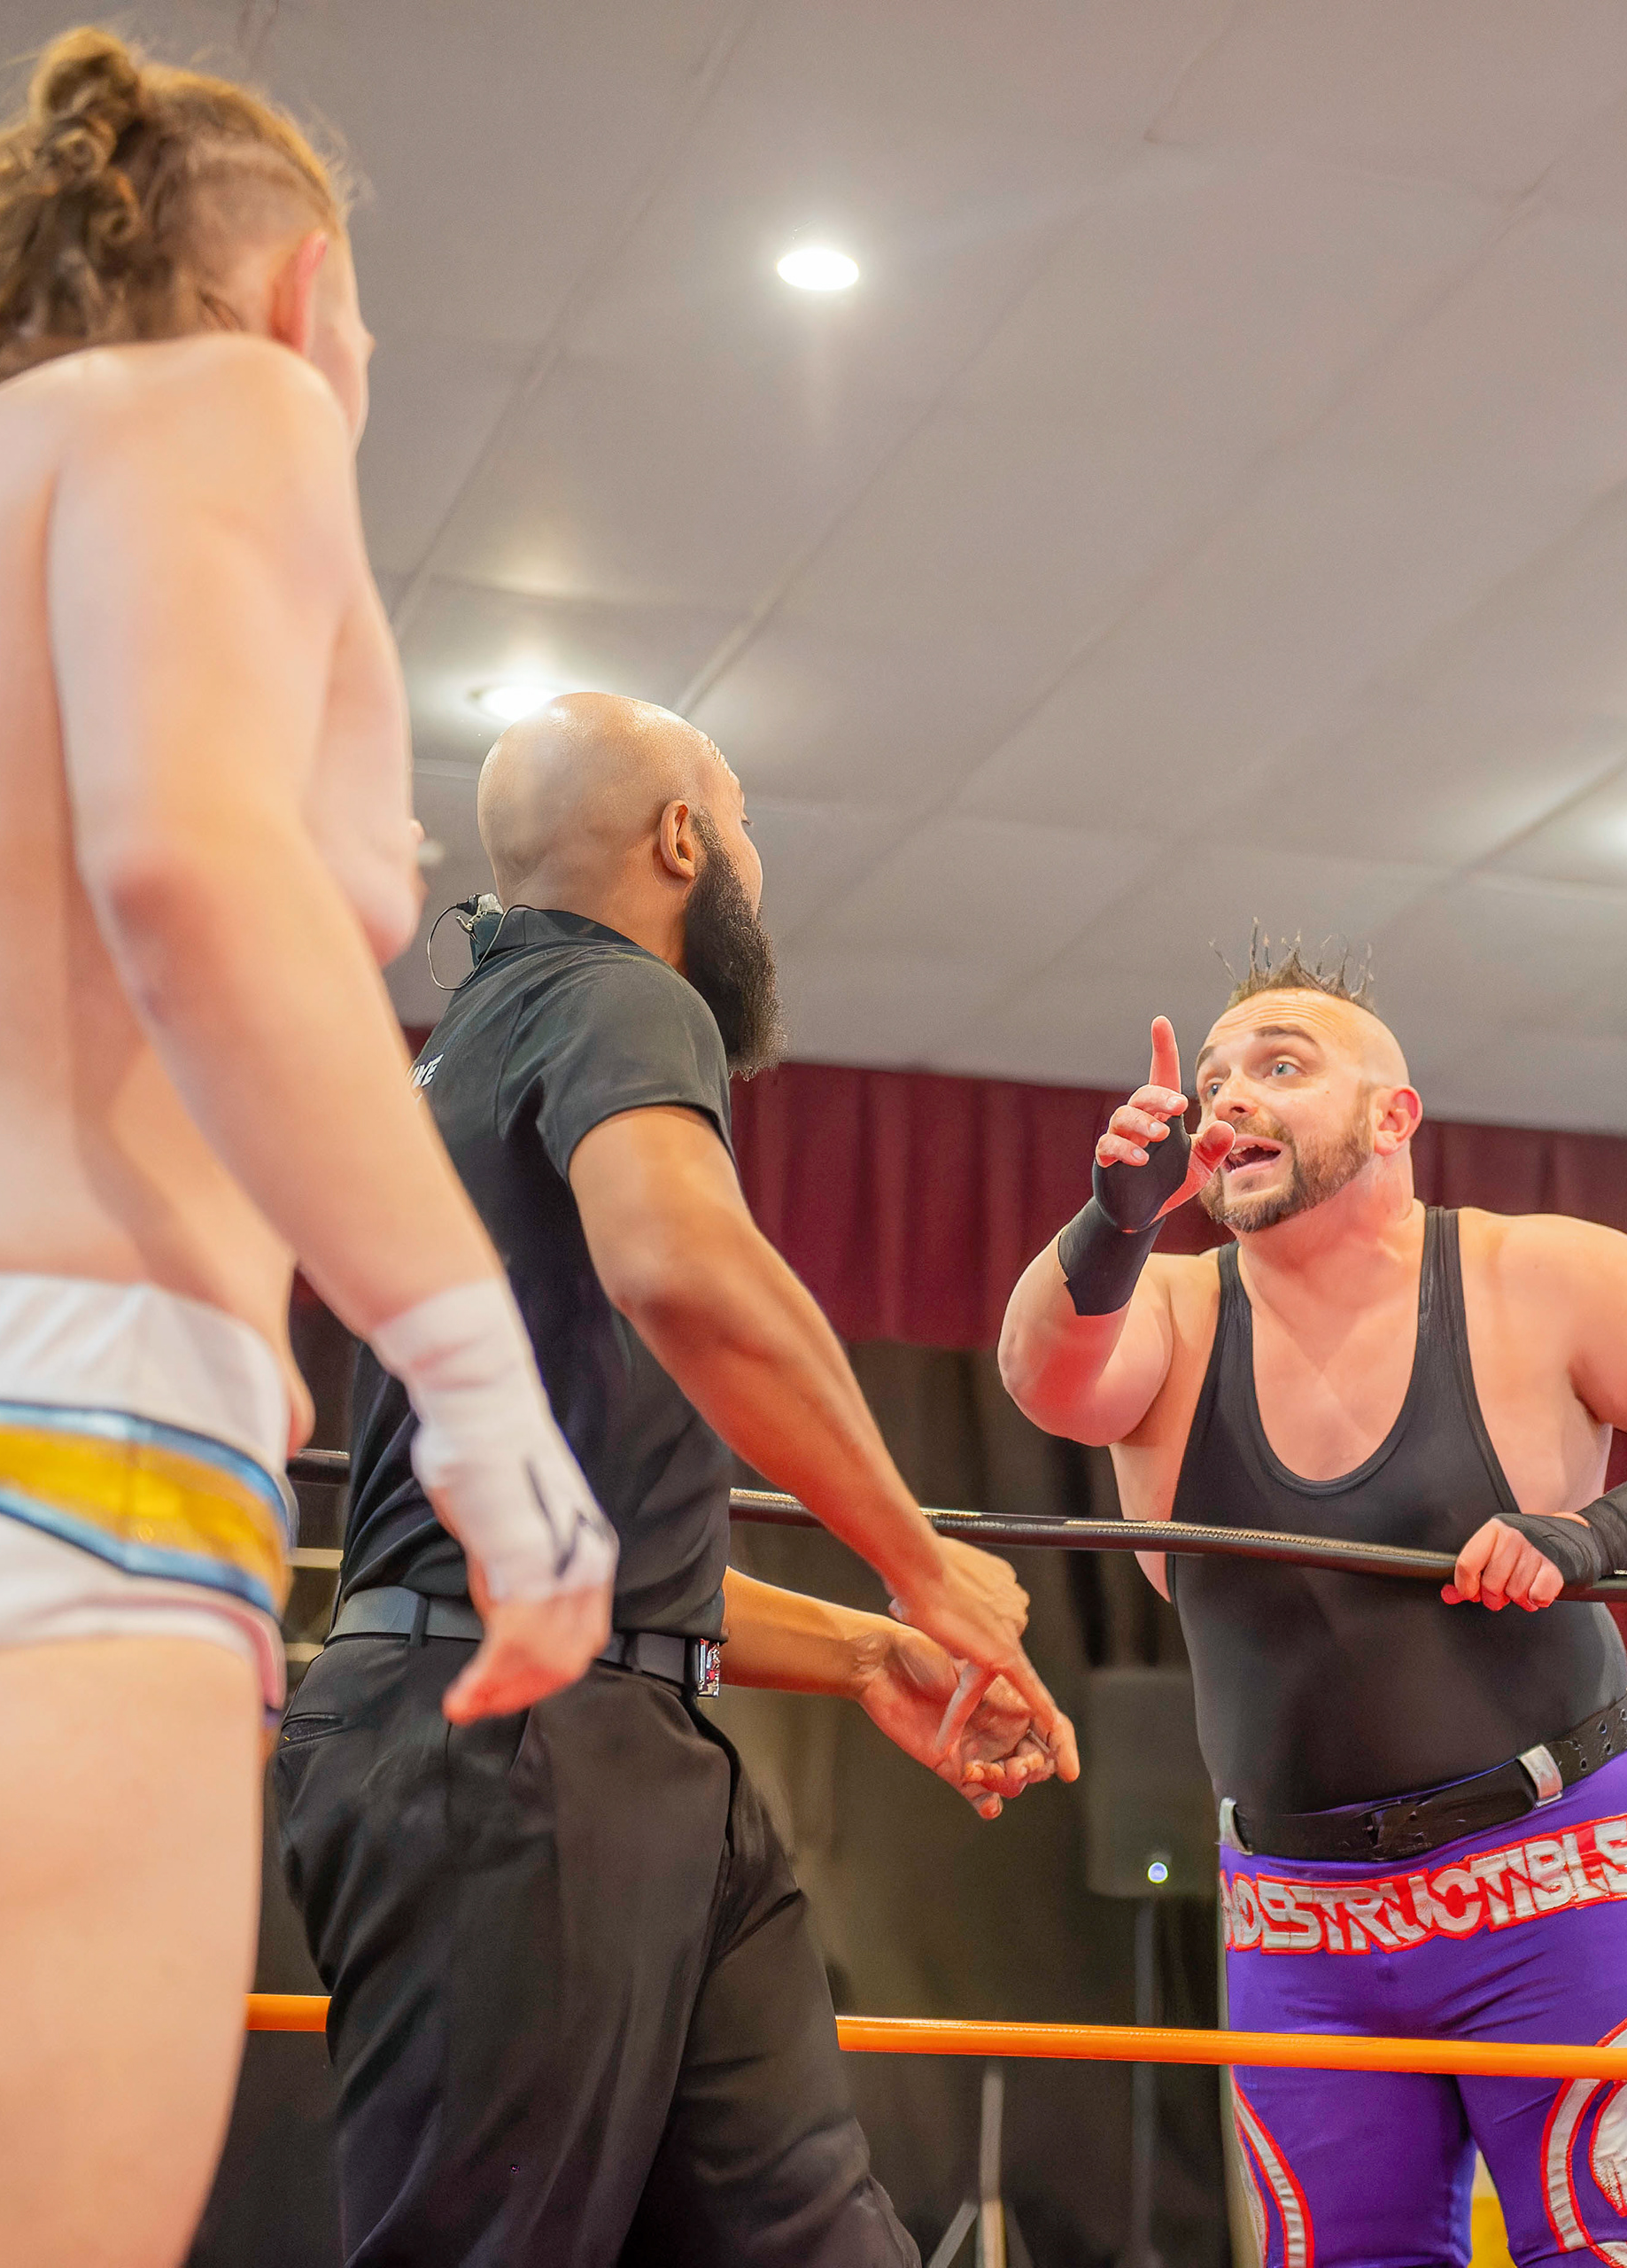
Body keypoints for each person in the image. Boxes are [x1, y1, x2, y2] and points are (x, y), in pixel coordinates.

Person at [0, 29, 660, 2268]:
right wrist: (476, 1386)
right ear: (300, 290)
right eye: (360, 339)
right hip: (29, 1532)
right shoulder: (230, 412)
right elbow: (185, 868)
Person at [275, 691, 1079, 2268]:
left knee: (808, 2234)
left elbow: (594, 1542)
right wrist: (920, 1559)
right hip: (511, 1757)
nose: (756, 866)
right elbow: (685, 1269)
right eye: (749, 827)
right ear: (683, 839)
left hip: (607, 1743)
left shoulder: (479, 1043)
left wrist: (869, 1653)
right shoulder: (622, 991)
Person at [996, 948, 1627, 2268]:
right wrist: (1113, 1220)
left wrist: (1600, 1534)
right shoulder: (1164, 1305)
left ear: (1392, 1116)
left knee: (1611, 2250)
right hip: (1300, 1906)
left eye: (1282, 1065)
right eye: (1215, 1081)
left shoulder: (1535, 1274)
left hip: (1552, 1869)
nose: (1232, 1098)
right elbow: (1047, 1383)